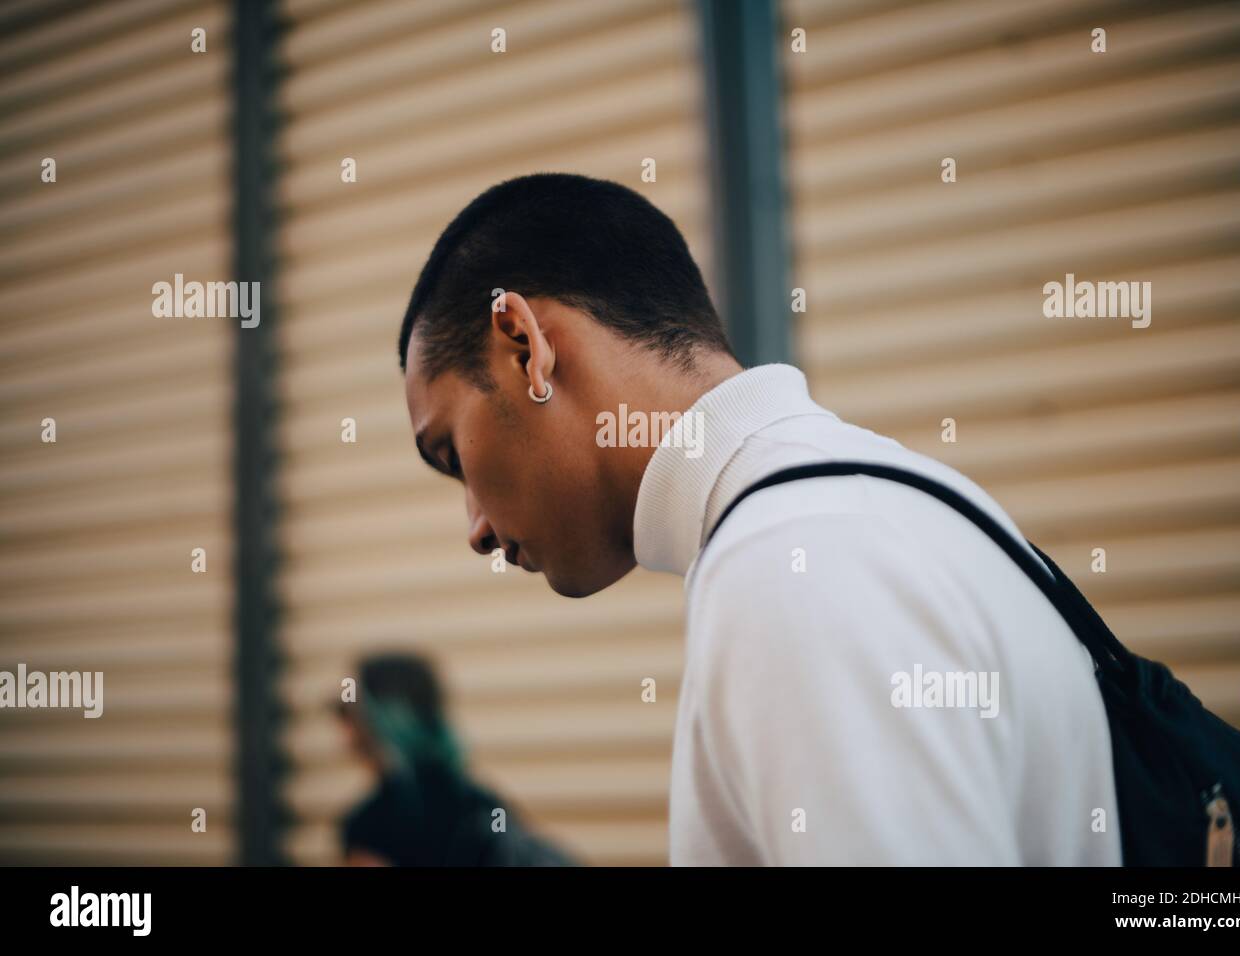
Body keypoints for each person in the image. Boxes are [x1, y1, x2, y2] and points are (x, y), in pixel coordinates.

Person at [396, 172, 1121, 865]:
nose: (476, 531)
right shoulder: (881, 499)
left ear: (524, 343)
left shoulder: (791, 558)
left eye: (451, 454)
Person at [336, 653, 576, 866]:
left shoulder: (370, 824)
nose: (342, 726)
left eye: (345, 709)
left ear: (377, 718)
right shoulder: (485, 804)